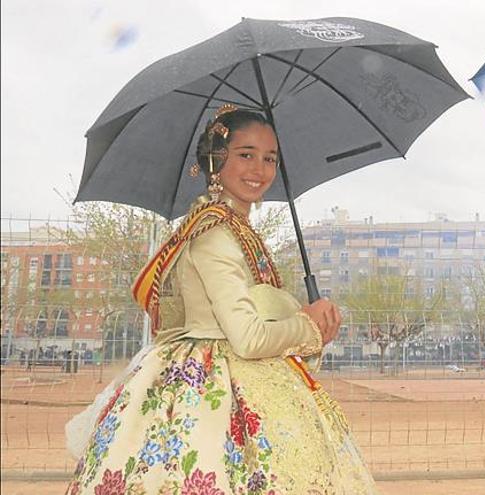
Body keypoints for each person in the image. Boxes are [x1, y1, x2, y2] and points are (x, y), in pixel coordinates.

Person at [66, 106, 377, 494]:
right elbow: (247, 338)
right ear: (216, 161)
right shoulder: (215, 234)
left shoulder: (236, 228)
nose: (259, 169)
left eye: (270, 158)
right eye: (245, 154)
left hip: (243, 373)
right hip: (210, 388)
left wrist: (312, 324)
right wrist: (309, 324)